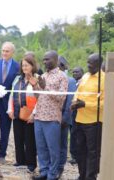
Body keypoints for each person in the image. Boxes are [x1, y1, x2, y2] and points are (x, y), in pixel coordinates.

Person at [32, 51, 68, 180]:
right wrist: (34, 86)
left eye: (47, 59)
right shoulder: (44, 76)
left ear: (55, 59)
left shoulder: (62, 76)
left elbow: (61, 97)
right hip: (39, 117)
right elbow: (38, 97)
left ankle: (52, 175)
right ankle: (44, 172)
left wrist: (45, 87)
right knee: (41, 148)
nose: (45, 62)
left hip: (52, 118)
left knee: (53, 149)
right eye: (43, 59)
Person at [71, 53, 104, 180]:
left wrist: (86, 104)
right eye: (88, 62)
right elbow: (78, 92)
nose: (88, 65)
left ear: (99, 64)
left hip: (93, 122)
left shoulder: (104, 79)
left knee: (93, 152)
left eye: (91, 63)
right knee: (80, 150)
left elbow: (104, 102)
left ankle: (91, 177)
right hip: (79, 119)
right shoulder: (85, 76)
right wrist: (75, 102)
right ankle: (82, 175)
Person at [7, 52, 38, 173]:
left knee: (30, 140)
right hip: (17, 112)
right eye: (23, 65)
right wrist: (10, 109)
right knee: (18, 137)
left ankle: (31, 163)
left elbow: (39, 98)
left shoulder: (37, 79)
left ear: (32, 66)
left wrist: (34, 114)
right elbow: (12, 94)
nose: (24, 67)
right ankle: (20, 160)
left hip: (30, 113)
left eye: (27, 65)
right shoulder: (17, 79)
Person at [57, 56, 77, 178]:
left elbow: (70, 101)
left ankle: (60, 168)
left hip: (64, 118)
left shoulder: (70, 81)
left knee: (62, 144)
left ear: (64, 66)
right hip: (51, 117)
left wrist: (65, 118)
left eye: (59, 65)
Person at [69, 66, 84, 164]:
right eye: (73, 72)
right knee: (73, 133)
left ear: (82, 72)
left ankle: (79, 155)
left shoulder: (84, 82)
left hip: (82, 112)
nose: (74, 74)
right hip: (73, 112)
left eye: (77, 72)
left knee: (79, 134)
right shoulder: (72, 83)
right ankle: (74, 155)